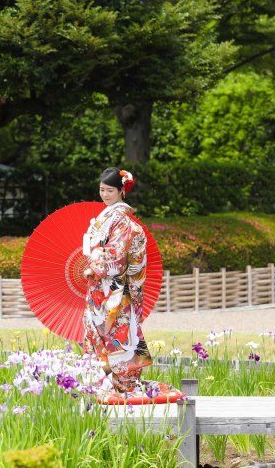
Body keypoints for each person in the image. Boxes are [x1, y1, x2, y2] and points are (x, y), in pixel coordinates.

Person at [82, 167, 182, 402]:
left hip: (115, 288)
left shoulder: (123, 222)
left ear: (121, 191)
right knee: (95, 328)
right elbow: (93, 248)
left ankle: (124, 384)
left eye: (109, 190)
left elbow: (117, 253)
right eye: (101, 189)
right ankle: (101, 380)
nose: (104, 194)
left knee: (118, 332)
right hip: (99, 287)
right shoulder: (103, 218)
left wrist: (95, 265)